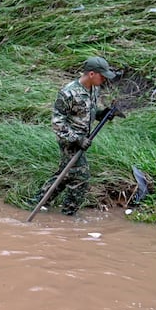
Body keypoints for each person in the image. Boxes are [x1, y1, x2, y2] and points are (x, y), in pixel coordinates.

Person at [34, 56, 118, 216]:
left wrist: (103, 114)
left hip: (83, 139)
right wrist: (77, 139)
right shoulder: (68, 93)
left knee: (65, 174)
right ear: (92, 74)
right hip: (69, 140)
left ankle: (37, 201)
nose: (105, 79)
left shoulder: (94, 89)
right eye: (102, 75)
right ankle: (68, 214)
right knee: (81, 177)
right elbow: (57, 122)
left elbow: (88, 112)